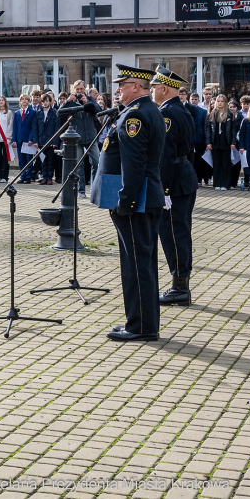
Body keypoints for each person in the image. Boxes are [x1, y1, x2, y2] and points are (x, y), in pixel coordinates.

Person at [92, 65, 165, 342]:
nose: (118, 89)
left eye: (122, 84)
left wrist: (127, 201)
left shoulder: (135, 116)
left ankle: (141, 326)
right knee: (140, 262)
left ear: (136, 86)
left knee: (137, 264)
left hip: (136, 201)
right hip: (143, 199)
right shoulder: (145, 111)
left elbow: (134, 166)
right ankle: (141, 321)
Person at [149, 67, 199, 307]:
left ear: (164, 88)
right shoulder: (180, 109)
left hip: (175, 181)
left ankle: (180, 289)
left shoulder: (167, 113)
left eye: (154, 87)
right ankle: (181, 286)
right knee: (181, 231)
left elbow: (166, 156)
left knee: (173, 234)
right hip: (185, 175)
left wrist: (164, 190)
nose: (151, 91)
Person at [61, 80, 102, 196]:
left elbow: (99, 110)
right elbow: (59, 112)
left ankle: (95, 189)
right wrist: (68, 101)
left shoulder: (90, 99)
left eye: (81, 89)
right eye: (77, 89)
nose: (79, 92)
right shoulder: (71, 101)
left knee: (96, 162)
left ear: (85, 89)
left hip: (91, 136)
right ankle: (81, 190)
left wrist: (87, 101)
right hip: (77, 137)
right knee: (79, 165)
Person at [205, 94, 236, 191]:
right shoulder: (212, 114)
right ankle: (217, 183)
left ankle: (225, 184)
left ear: (225, 102)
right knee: (216, 163)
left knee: (226, 164)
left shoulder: (230, 114)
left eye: (222, 101)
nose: (220, 103)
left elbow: (233, 130)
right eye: (218, 101)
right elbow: (207, 129)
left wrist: (233, 142)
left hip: (226, 142)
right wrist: (208, 142)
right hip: (215, 142)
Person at [12, 94, 39, 184]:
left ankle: (28, 176)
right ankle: (22, 175)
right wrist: (14, 139)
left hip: (28, 140)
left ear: (28, 101)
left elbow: (33, 127)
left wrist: (31, 138)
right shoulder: (17, 113)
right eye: (22, 99)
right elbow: (15, 127)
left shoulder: (32, 112)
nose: (24, 101)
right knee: (21, 159)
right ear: (20, 101)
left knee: (29, 159)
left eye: (26, 99)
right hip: (20, 139)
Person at [35, 92, 60, 185]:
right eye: (43, 101)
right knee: (43, 160)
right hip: (41, 140)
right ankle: (44, 177)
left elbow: (57, 128)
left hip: (50, 140)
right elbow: (35, 128)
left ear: (50, 102)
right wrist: (35, 141)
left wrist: (55, 141)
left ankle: (50, 177)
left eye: (47, 101)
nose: (45, 103)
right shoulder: (38, 113)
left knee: (50, 160)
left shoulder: (54, 113)